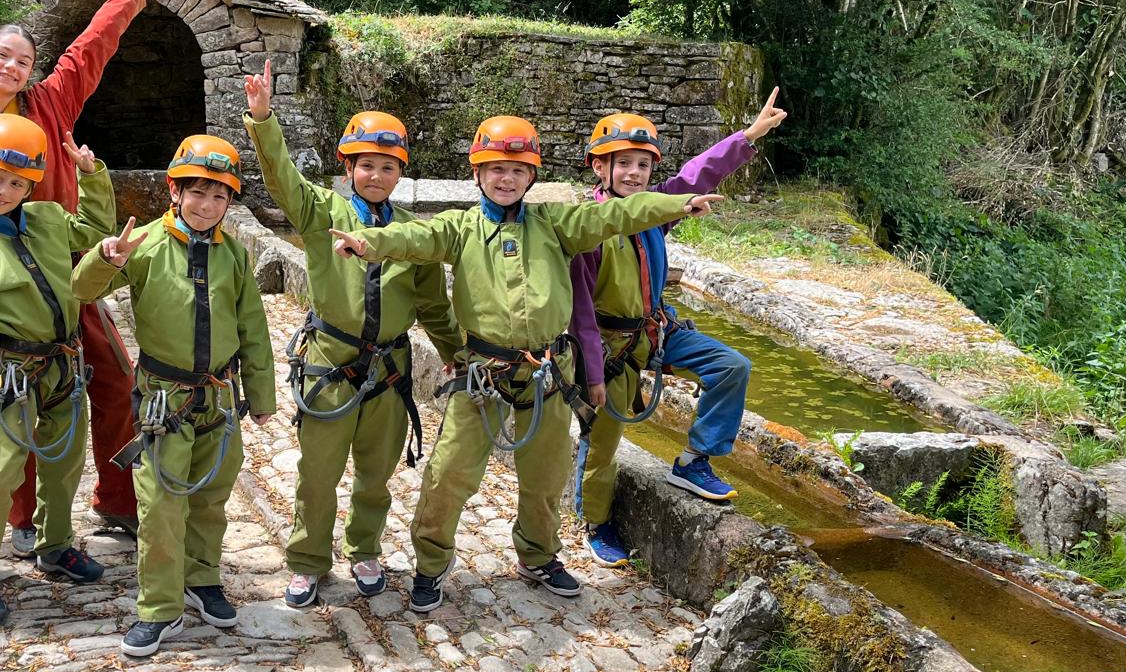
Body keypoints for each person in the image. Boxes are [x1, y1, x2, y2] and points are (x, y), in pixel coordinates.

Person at [329, 115, 723, 612]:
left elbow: (618, 216)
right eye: (496, 169)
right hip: (483, 375)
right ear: (478, 174)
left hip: (547, 375)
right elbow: (414, 238)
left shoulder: (557, 225)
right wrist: (369, 243)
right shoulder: (460, 229)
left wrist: (678, 203)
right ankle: (431, 563)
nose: (507, 179)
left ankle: (538, 555)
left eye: (518, 170)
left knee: (546, 476)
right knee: (449, 474)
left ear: (531, 176)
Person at [0, 0, 176, 552]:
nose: (12, 67)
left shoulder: (50, 103)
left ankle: (117, 500)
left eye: (23, 61)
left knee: (115, 378)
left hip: (69, 272)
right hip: (4, 291)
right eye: (3, 55)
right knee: (15, 397)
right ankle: (22, 518)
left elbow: (89, 51)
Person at [240, 60, 459, 607]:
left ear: (399, 173)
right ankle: (307, 561)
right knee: (317, 473)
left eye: (387, 167)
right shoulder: (322, 211)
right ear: (348, 168)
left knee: (376, 474)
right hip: (330, 364)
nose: (376, 176)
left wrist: (454, 351)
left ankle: (364, 549)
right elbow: (282, 180)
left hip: (389, 371)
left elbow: (433, 304)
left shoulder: (413, 234)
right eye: (366, 166)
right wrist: (263, 120)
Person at [72, 134, 276, 657]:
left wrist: (261, 394)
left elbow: (252, 326)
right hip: (164, 402)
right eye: (197, 192)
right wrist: (105, 257)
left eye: (219, 196)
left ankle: (202, 579)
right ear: (174, 191)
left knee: (211, 499)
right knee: (161, 506)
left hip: (218, 400)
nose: (207, 205)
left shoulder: (233, 254)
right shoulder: (145, 246)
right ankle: (159, 606)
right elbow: (82, 290)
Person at [570, 89, 787, 564]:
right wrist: (591, 373)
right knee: (602, 441)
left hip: (655, 332)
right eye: (623, 163)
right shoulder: (586, 227)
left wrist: (750, 135)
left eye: (643, 165)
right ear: (599, 167)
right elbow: (580, 309)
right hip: (609, 347)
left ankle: (693, 461)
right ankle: (596, 522)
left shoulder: (656, 210)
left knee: (731, 366)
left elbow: (697, 174)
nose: (634, 173)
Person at [0, 113, 115, 626]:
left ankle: (55, 546)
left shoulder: (48, 218)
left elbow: (95, 229)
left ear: (30, 186)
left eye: (16, 183)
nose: (3, 191)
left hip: (66, 366)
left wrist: (92, 175)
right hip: (14, 373)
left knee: (66, 463)